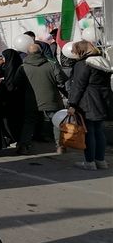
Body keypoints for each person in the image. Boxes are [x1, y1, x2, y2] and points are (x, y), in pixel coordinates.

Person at [13, 44, 68, 155]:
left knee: (29, 122)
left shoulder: (23, 67)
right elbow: (61, 79)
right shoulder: (51, 65)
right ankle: (60, 146)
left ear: (28, 53)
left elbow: (16, 83)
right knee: (56, 122)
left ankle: (24, 146)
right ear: (41, 52)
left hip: (31, 100)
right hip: (51, 98)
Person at [68, 41, 113, 170]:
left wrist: (72, 104)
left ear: (81, 50)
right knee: (99, 131)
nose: (74, 53)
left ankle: (90, 162)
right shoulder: (103, 61)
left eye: (75, 50)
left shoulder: (83, 64)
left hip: (88, 101)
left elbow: (78, 86)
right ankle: (101, 161)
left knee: (88, 132)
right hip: (103, 99)